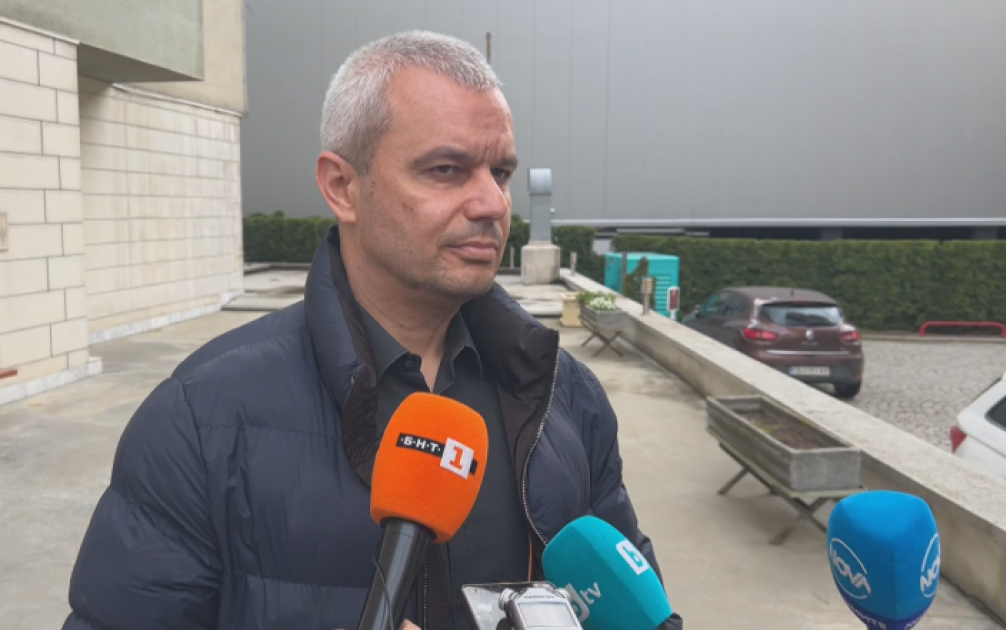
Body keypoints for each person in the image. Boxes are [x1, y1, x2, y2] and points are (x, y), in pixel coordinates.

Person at [62, 30, 683, 630]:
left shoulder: (566, 395)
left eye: (500, 172)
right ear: (342, 187)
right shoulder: (201, 418)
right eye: (447, 169)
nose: (493, 204)